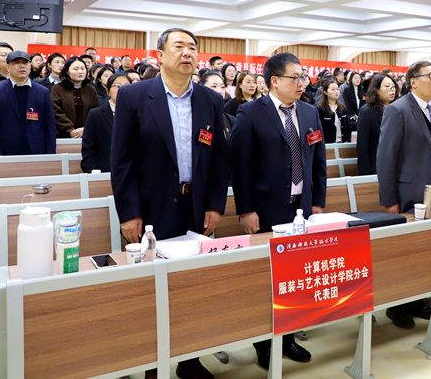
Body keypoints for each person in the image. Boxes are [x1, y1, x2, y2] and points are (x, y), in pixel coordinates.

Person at [112, 29, 229, 379]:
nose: (187, 53)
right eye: (179, 46)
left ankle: (189, 360)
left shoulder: (210, 99)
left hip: (196, 205)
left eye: (193, 47)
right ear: (160, 55)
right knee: (150, 287)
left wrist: (215, 205)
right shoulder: (134, 96)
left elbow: (219, 158)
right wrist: (129, 213)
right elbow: (122, 160)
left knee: (192, 286)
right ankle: (152, 364)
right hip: (151, 208)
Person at [230, 52, 324, 370]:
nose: (301, 83)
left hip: (301, 208)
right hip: (266, 209)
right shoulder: (251, 113)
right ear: (274, 81)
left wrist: (317, 202)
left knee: (295, 277)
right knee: (267, 279)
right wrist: (246, 209)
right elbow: (240, 166)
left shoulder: (309, 112)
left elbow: (318, 161)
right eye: (295, 77)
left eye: (303, 77)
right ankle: (264, 344)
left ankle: (288, 336)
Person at [377, 60, 431, 329]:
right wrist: (390, 200)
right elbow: (386, 158)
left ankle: (418, 299)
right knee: (404, 253)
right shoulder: (398, 110)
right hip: (407, 194)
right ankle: (398, 306)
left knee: (426, 250)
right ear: (412, 81)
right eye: (430, 76)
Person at [0, 51, 56, 156]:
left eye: (25, 63)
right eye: (16, 63)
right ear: (8, 67)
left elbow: (50, 124)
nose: (22, 66)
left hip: (37, 151)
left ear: (30, 65)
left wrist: (50, 153)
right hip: (5, 151)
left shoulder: (42, 92)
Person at [81, 73, 129, 173]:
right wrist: (92, 171)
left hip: (131, 172)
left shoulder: (138, 113)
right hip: (104, 171)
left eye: (127, 86)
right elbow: (88, 148)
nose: (122, 89)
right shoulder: (95, 114)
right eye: (118, 86)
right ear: (108, 91)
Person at [356, 73, 396, 175]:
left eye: (393, 87)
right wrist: (365, 175)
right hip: (376, 167)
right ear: (376, 90)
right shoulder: (367, 111)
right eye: (387, 86)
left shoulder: (397, 110)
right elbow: (363, 145)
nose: (392, 89)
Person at [51, 57, 100, 138]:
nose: (80, 72)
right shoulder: (57, 88)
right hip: (62, 135)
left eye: (82, 69)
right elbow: (56, 111)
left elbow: (96, 112)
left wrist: (85, 129)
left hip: (86, 134)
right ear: (67, 71)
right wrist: (70, 129)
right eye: (76, 69)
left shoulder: (91, 90)